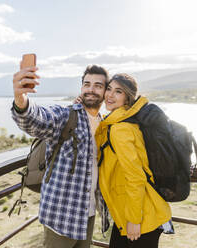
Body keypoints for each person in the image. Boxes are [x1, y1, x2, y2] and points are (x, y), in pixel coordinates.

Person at [11, 63, 109, 248]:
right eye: (87, 84)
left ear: (105, 91)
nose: (91, 89)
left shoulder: (104, 125)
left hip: (87, 214)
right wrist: (20, 100)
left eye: (98, 85)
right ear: (81, 88)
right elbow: (37, 118)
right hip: (61, 216)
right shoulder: (66, 116)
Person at [95, 73, 173, 248]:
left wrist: (134, 220)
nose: (110, 95)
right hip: (130, 212)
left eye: (118, 92)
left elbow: (136, 177)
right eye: (109, 89)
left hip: (141, 217)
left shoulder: (120, 130)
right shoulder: (120, 122)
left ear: (128, 98)